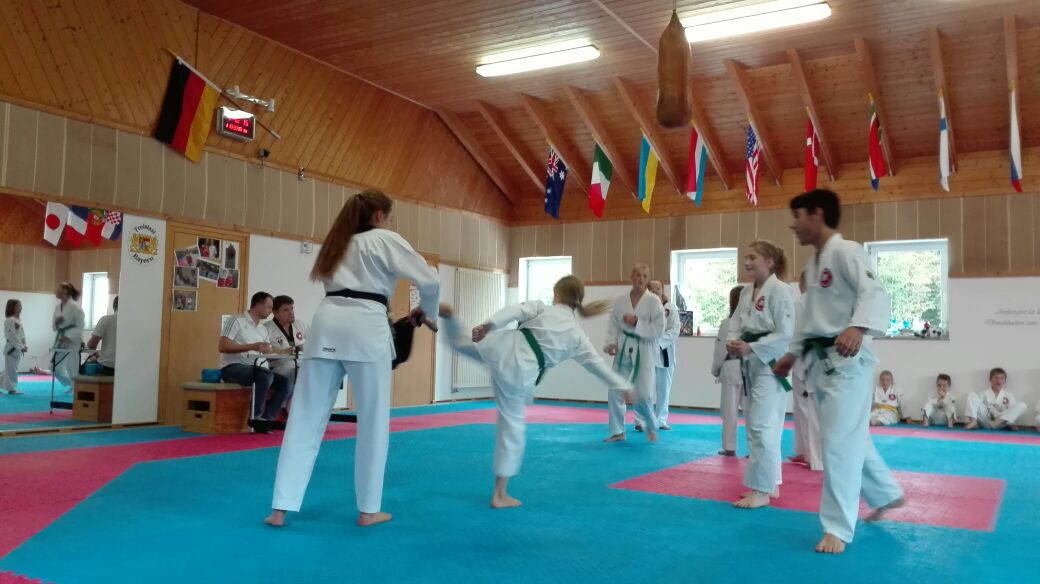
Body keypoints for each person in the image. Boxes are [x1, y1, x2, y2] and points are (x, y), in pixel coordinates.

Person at [266, 189, 439, 529]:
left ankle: (280, 509)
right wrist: (427, 310)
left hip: (327, 324)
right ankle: (368, 510)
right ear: (379, 215)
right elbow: (429, 279)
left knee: (303, 417)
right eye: (388, 217)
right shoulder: (383, 239)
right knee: (373, 419)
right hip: (366, 326)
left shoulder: (336, 242)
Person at [772, 189, 903, 554]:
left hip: (847, 363)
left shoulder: (846, 252)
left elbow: (874, 293)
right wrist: (793, 353)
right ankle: (886, 493)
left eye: (798, 216)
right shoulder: (815, 265)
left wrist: (858, 327)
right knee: (848, 438)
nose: (794, 225)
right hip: (823, 364)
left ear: (816, 214)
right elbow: (810, 319)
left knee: (837, 444)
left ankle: (837, 528)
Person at [439, 275, 634, 508]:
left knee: (462, 344)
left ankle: (451, 317)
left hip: (503, 347)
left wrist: (489, 325)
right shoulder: (577, 337)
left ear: (556, 294)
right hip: (520, 373)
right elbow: (598, 367)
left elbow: (514, 311)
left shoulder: (541, 308)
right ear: (577, 301)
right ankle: (500, 494)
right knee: (511, 427)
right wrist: (623, 386)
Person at [726, 240, 795, 510]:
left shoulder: (780, 291)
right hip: (751, 363)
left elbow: (785, 333)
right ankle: (771, 483)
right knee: (760, 426)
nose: (747, 262)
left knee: (762, 427)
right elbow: (735, 323)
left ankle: (761, 490)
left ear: (769, 261)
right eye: (746, 257)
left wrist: (752, 347)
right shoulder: (746, 292)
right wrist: (733, 342)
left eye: (753, 257)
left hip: (772, 364)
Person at [604, 264, 664, 442]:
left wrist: (637, 322)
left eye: (645, 276)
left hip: (644, 346)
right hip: (624, 344)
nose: (641, 279)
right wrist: (611, 342)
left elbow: (659, 328)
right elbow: (613, 323)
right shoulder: (621, 301)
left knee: (643, 393)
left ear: (648, 279)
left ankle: (651, 424)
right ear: (631, 277)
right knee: (615, 387)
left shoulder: (654, 301)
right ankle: (617, 431)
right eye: (638, 275)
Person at [219, 291, 292, 423]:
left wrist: (289, 350)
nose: (271, 311)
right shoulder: (236, 320)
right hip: (234, 368)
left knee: (285, 383)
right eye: (269, 307)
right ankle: (255, 417)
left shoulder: (263, 329)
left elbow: (269, 351)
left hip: (258, 368)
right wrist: (252, 346)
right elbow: (223, 346)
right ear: (258, 305)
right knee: (265, 376)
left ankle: (268, 419)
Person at [789, 271, 823, 471]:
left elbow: (791, 335)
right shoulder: (822, 304)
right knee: (806, 409)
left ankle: (813, 457)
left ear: (802, 284)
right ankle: (805, 451)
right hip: (816, 363)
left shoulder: (798, 306)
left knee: (806, 410)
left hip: (802, 362)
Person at [636, 280, 680, 431]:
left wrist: (657, 341)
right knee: (644, 389)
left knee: (664, 389)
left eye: (658, 288)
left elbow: (674, 330)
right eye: (652, 289)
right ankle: (641, 420)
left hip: (665, 353)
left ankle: (661, 419)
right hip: (646, 351)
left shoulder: (670, 308)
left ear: (662, 290)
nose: (656, 291)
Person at [712, 286, 744, 456]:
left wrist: (716, 369)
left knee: (729, 410)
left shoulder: (728, 323)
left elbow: (720, 349)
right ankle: (755, 448)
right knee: (752, 411)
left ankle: (730, 447)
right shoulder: (751, 323)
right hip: (749, 369)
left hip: (731, 368)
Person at [266, 295, 309, 393]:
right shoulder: (267, 329)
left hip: (301, 364)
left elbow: (316, 340)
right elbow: (265, 354)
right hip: (280, 366)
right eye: (286, 310)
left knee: (314, 369)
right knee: (303, 372)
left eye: (292, 308)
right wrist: (291, 350)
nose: (291, 313)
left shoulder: (300, 324)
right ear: (275, 313)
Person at [962, 368, 1027, 430]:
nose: (999, 380)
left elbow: (1012, 411)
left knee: (1022, 405)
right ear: (990, 379)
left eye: (1002, 378)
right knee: (972, 394)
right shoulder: (984, 393)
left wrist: (1012, 423)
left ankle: (996, 424)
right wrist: (969, 420)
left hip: (1000, 422)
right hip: (985, 420)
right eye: (996, 377)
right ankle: (973, 421)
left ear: (1005, 381)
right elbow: (976, 408)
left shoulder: (1009, 396)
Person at [52, 282, 85, 390]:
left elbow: (80, 326)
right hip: (61, 337)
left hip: (73, 340)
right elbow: (54, 327)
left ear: (65, 291)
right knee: (54, 367)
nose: (56, 291)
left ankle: (76, 388)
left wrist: (69, 337)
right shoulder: (57, 307)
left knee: (72, 366)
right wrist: (56, 323)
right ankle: (72, 384)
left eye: (58, 289)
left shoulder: (76, 307)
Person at [87, 296, 118, 375]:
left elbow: (91, 345)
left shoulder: (106, 320)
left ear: (114, 307)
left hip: (108, 366)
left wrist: (97, 355)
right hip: (128, 366)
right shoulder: (134, 322)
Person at [2, 299, 27, 395]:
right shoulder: (10, 320)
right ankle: (12, 389)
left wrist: (24, 345)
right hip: (11, 349)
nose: (21, 308)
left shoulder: (18, 321)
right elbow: (11, 335)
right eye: (18, 306)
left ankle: (8, 386)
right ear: (12, 307)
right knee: (11, 370)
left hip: (17, 349)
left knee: (11, 369)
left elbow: (22, 335)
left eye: (21, 305)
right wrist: (21, 346)